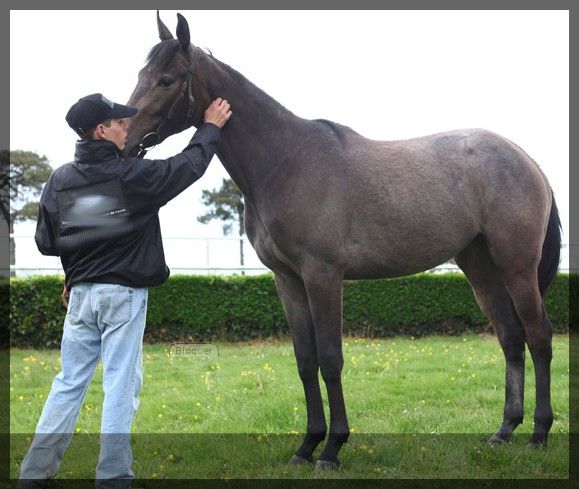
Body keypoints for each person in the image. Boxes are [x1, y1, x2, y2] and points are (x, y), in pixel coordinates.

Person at [18, 93, 231, 488]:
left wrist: (79, 266)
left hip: (81, 297)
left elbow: (48, 242)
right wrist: (210, 128)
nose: (126, 126)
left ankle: (33, 475)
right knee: (120, 385)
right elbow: (187, 167)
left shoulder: (60, 179)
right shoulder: (131, 176)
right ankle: (113, 477)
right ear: (101, 131)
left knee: (68, 384)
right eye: (119, 122)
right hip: (122, 297)